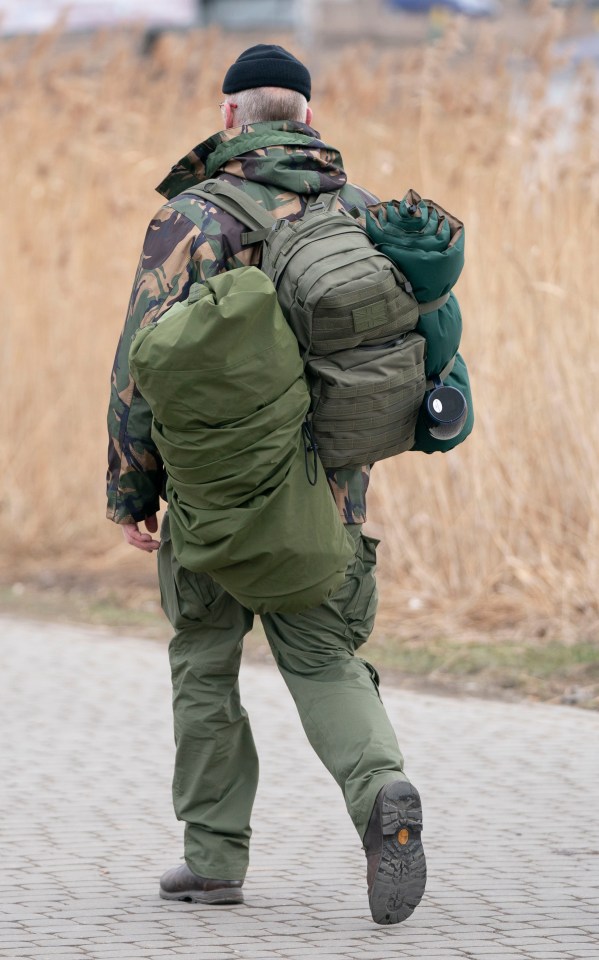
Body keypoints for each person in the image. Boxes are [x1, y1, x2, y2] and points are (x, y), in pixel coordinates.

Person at [106, 43, 426, 926]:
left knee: (205, 664)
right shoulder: (363, 214)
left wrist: (134, 493)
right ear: (309, 120)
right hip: (326, 498)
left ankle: (212, 862)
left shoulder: (193, 217)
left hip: (214, 497)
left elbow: (139, 368)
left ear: (228, 118)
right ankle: (383, 792)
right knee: (324, 658)